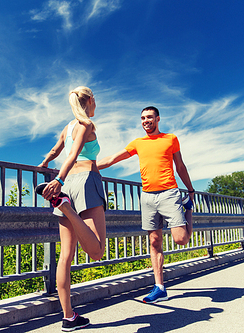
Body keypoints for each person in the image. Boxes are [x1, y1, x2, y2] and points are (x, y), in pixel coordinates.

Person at [97, 105, 195, 304]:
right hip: (147, 197)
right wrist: (78, 166)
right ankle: (159, 287)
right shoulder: (138, 143)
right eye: (142, 118)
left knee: (181, 239)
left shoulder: (171, 139)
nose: (145, 121)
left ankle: (188, 209)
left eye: (149, 117)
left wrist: (191, 190)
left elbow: (180, 166)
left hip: (169, 193)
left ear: (158, 119)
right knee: (154, 242)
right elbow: (112, 159)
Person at [37, 86, 107, 331]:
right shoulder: (85, 124)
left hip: (66, 186)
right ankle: (66, 208)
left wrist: (45, 163)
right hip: (85, 181)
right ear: (90, 101)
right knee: (97, 251)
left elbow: (58, 150)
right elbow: (75, 153)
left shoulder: (67, 127)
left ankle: (69, 317)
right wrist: (59, 179)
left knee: (65, 256)